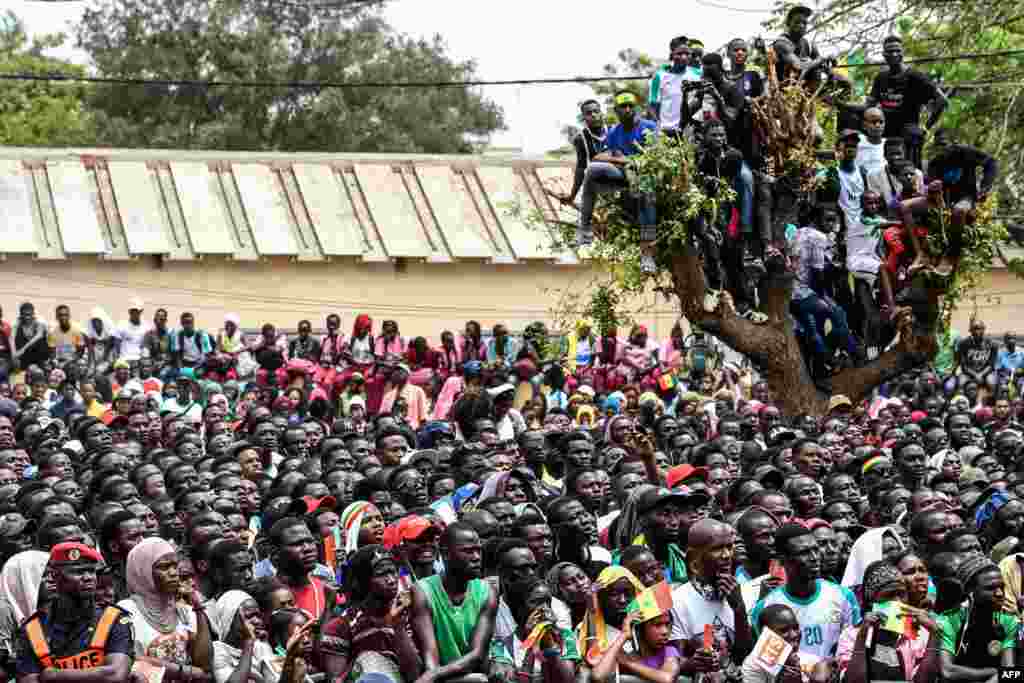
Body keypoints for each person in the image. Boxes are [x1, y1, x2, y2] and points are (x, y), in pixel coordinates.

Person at [15, 542, 132, 682]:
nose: (88, 577)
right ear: (54, 576)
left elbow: (115, 675)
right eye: (78, 572)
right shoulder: (33, 629)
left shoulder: (113, 618)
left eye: (91, 571)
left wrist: (53, 675)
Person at [575, 91, 658, 273]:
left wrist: (622, 157)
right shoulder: (614, 132)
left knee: (646, 199)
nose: (628, 109)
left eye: (631, 105)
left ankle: (647, 255)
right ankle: (584, 226)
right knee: (592, 170)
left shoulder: (649, 127)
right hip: (622, 177)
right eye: (623, 106)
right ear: (616, 111)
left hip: (646, 177)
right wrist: (622, 158)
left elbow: (651, 158)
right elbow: (598, 156)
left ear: (636, 107)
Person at [751, 524, 861, 659]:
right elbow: (766, 661)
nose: (815, 557)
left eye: (815, 549)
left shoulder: (843, 597)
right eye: (804, 553)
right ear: (782, 559)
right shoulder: (766, 607)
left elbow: (852, 650)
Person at [409, 522, 498, 681]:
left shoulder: (487, 592)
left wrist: (433, 675)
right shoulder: (423, 591)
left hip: (467, 672)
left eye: (478, 550)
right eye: (468, 552)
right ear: (445, 554)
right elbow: (430, 655)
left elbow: (477, 654)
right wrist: (432, 674)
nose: (476, 557)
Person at [322, 544, 421, 683]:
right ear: (363, 580)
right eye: (381, 574)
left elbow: (415, 675)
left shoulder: (410, 613)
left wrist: (398, 627)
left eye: (393, 572)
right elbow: (335, 679)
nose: (392, 580)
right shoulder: (341, 626)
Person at [118, 537, 213, 681]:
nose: (174, 573)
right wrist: (183, 671)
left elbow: (204, 664)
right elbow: (128, 658)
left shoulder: (184, 611)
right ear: (143, 571)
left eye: (174, 566)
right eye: (164, 567)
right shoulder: (126, 611)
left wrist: (198, 608)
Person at [670, 519, 752, 678]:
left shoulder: (743, 592)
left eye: (729, 546)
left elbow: (746, 657)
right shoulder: (678, 601)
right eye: (717, 549)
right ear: (694, 560)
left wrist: (739, 609)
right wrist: (693, 663)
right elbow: (673, 663)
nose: (727, 555)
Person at [835, 560, 940, 683]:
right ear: (872, 601)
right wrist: (862, 636)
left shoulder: (917, 635)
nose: (897, 602)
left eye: (901, 594)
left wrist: (934, 633)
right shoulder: (851, 635)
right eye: (889, 595)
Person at [867, 35, 947, 169]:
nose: (894, 54)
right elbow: (868, 106)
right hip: (886, 134)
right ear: (884, 55)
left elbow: (942, 100)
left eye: (897, 50)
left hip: (908, 134)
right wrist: (842, 105)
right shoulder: (881, 78)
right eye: (890, 51)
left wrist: (926, 127)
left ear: (902, 53)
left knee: (909, 170)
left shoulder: (915, 77)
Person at [938, 555, 1018, 680]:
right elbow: (948, 671)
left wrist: (998, 676)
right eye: (990, 588)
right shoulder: (949, 621)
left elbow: (1009, 671)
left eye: (1001, 587)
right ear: (970, 590)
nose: (1000, 593)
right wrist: (995, 672)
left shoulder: (1008, 620)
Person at [489, 577, 579, 683]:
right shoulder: (502, 647)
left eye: (548, 602)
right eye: (536, 602)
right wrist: (531, 642)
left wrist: (548, 640)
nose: (545, 608)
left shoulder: (566, 636)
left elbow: (566, 680)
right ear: (519, 609)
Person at [591, 583, 679, 683]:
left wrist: (628, 664)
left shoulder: (669, 652)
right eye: (657, 625)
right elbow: (598, 676)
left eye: (667, 624)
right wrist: (624, 634)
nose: (665, 631)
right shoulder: (629, 655)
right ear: (640, 629)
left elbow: (667, 679)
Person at [648, 37, 696, 136]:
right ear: (672, 54)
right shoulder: (659, 76)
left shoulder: (697, 75)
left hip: (689, 132)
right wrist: (659, 127)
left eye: (687, 54)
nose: (683, 57)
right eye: (679, 54)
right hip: (666, 132)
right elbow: (653, 106)